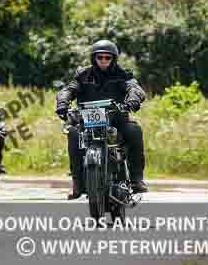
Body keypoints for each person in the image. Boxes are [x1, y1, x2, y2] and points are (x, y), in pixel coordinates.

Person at [56, 40, 148, 200]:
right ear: (94, 58)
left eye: (107, 58)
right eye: (100, 57)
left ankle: (136, 179)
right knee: (73, 133)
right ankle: (77, 183)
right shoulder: (83, 75)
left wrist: (132, 100)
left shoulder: (122, 74)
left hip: (116, 119)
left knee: (134, 130)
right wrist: (63, 102)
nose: (104, 61)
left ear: (113, 59)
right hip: (87, 120)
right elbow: (68, 90)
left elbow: (135, 88)